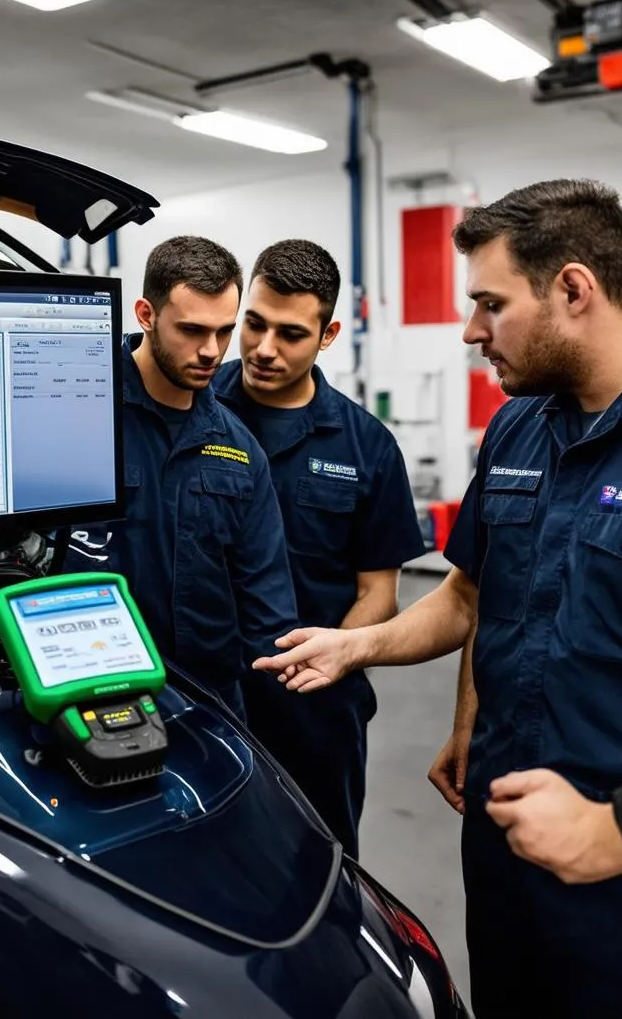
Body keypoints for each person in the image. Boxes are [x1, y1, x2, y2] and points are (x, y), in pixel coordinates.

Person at [252, 179, 622, 1018]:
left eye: (489, 304)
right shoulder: (522, 426)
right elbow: (469, 595)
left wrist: (619, 832)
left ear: (574, 289)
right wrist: (359, 645)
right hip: (509, 853)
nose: (469, 331)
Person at [213, 239, 424, 858]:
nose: (264, 349)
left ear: (328, 334)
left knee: (320, 866)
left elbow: (377, 593)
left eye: (290, 334)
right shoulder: (196, 410)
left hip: (314, 707)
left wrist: (329, 661)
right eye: (253, 324)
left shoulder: (366, 447)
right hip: (203, 695)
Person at [59, 235, 298, 719]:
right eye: (191, 330)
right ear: (146, 315)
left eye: (224, 331)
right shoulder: (75, 414)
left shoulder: (240, 451)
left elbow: (266, 599)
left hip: (208, 704)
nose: (212, 351)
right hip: (89, 690)